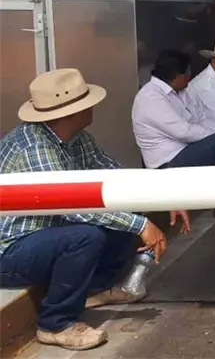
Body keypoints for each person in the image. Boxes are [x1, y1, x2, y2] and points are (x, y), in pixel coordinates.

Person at [0, 68, 177, 351]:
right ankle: (55, 324)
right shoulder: (34, 147)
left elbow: (114, 174)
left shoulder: (77, 138)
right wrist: (141, 226)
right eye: (86, 103)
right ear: (69, 113)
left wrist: (159, 198)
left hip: (45, 234)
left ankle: (95, 288)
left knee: (123, 219)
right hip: (9, 251)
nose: (93, 106)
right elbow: (70, 206)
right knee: (87, 235)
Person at [132, 50, 215, 219]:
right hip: (170, 162)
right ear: (176, 76)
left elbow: (201, 118)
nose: (190, 78)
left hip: (190, 147)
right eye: (187, 74)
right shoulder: (150, 98)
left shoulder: (183, 90)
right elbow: (184, 132)